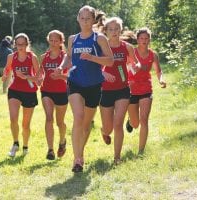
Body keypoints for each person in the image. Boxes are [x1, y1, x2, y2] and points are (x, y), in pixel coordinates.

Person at [56, 5, 114, 172]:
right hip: (75, 82)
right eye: (82, 18)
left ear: (93, 20)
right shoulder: (73, 39)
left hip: (94, 85)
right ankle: (77, 159)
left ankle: (80, 154)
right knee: (78, 117)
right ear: (78, 19)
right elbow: (68, 57)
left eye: (88, 18)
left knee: (86, 124)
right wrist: (61, 68)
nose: (84, 21)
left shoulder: (99, 38)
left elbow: (109, 61)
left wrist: (92, 58)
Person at [100, 17, 141, 164]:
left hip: (123, 90)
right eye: (110, 29)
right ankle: (103, 131)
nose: (114, 32)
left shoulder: (126, 47)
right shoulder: (101, 47)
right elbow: (93, 66)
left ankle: (117, 157)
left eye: (116, 29)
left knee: (118, 124)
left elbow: (136, 62)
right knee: (108, 128)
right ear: (106, 31)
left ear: (120, 30)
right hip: (105, 90)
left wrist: (136, 67)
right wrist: (103, 73)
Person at [126, 27, 166, 155]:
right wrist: (128, 78)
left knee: (144, 120)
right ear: (137, 40)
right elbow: (126, 67)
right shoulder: (132, 53)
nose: (144, 40)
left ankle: (141, 151)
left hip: (146, 89)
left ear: (149, 39)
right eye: (141, 38)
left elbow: (158, 71)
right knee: (136, 124)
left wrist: (161, 80)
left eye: (146, 38)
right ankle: (130, 121)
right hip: (131, 90)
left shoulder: (153, 55)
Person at [2, 33, 39, 157]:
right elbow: (7, 69)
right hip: (15, 90)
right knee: (13, 119)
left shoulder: (32, 57)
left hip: (29, 91)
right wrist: (5, 74)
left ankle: (25, 146)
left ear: (27, 44)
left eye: (23, 44)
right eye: (18, 44)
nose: (20, 47)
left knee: (25, 124)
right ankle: (15, 143)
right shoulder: (11, 57)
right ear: (15, 45)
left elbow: (39, 78)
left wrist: (26, 77)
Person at [39, 30, 68, 160]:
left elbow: (70, 77)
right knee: (49, 118)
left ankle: (62, 141)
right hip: (46, 91)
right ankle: (50, 150)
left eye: (56, 40)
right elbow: (40, 73)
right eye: (51, 40)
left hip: (62, 92)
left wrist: (60, 76)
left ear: (61, 41)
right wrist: (38, 79)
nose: (53, 43)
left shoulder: (66, 57)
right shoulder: (43, 57)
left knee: (60, 122)